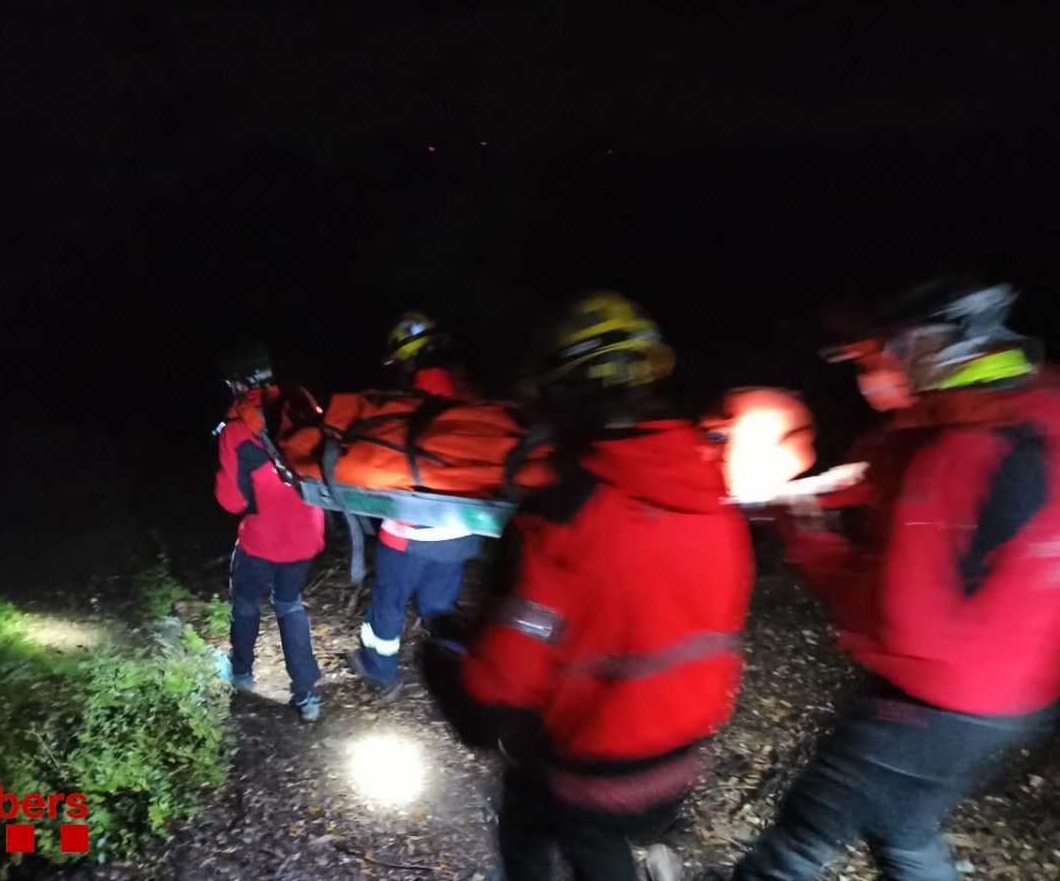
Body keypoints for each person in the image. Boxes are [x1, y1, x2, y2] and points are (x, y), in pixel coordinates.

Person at [732, 278, 1060, 880]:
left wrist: (811, 539)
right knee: (904, 828)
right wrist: (821, 487)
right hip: (1018, 694)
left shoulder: (953, 458)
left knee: (802, 837)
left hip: (935, 696)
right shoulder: (1028, 405)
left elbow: (898, 617)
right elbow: (895, 454)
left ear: (928, 349)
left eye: (881, 358)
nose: (873, 378)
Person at [429, 292, 755, 881]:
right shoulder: (713, 497)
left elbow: (497, 690)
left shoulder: (566, 516)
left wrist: (444, 655)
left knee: (541, 836)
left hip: (598, 769)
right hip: (685, 754)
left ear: (567, 398)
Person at [346, 311, 482, 698]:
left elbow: (370, 462)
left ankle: (380, 670)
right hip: (459, 536)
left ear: (406, 360)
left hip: (408, 536)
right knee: (440, 610)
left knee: (387, 605)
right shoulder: (469, 399)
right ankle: (456, 678)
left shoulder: (401, 403)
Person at [215, 344, 325, 722]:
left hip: (262, 541)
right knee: (290, 603)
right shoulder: (303, 406)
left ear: (240, 384)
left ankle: (242, 674)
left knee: (246, 603)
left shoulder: (236, 432)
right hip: (308, 536)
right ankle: (307, 695)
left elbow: (230, 501)